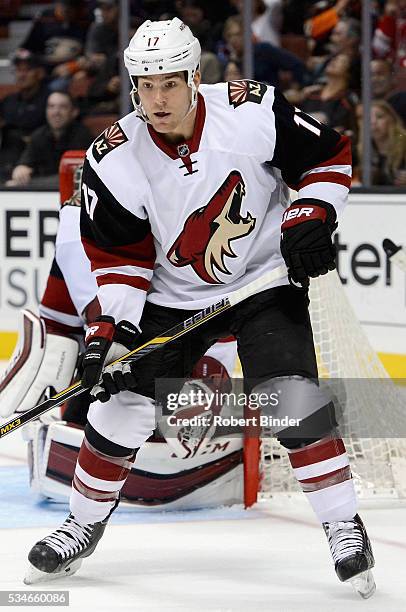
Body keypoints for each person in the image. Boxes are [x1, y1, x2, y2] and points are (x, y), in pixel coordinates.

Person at [25, 18, 375, 598]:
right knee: (120, 408)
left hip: (262, 281)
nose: (156, 100)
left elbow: (331, 155)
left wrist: (311, 211)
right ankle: (81, 525)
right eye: (144, 85)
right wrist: (112, 330)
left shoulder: (251, 110)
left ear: (194, 77)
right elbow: (118, 258)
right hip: (170, 296)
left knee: (293, 401)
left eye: (168, 83)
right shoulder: (113, 157)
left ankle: (344, 523)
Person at [6, 91, 92, 188]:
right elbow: (26, 162)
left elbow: (74, 179)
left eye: (62, 107)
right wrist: (20, 169)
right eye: (51, 106)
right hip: (43, 195)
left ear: (74, 112)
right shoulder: (38, 135)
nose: (56, 112)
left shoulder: (82, 136)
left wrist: (32, 182)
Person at [0, 50, 49, 182]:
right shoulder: (8, 101)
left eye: (27, 70)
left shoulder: (50, 100)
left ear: (40, 73)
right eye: (18, 70)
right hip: (7, 159)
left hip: (37, 161)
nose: (22, 75)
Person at [357, 100, 406, 186]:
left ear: (392, 120)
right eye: (368, 118)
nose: (373, 122)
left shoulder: (404, 144)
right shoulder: (361, 149)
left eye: (379, 117)